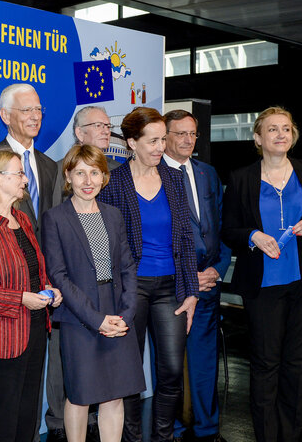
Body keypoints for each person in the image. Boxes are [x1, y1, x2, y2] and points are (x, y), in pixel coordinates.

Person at [221, 106, 302, 442]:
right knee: (266, 366)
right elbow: (229, 230)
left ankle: (290, 435)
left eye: (286, 128)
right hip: (263, 285)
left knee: (297, 366)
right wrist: (252, 235)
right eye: (272, 129)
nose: (281, 134)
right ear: (258, 138)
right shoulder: (240, 178)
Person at [0, 83, 62, 441]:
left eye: (23, 173)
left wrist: (49, 288)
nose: (24, 178)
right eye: (17, 174)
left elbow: (35, 266)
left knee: (25, 420)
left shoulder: (21, 222)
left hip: (34, 330)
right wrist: (22, 299)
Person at [97, 106, 199, 442]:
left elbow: (185, 237)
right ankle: (132, 438)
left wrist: (191, 292)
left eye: (162, 140)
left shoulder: (174, 178)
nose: (161, 147)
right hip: (131, 289)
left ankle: (163, 437)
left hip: (170, 288)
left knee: (170, 371)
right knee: (128, 375)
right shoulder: (113, 182)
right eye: (153, 140)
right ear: (131, 142)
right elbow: (104, 244)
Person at [42, 144, 144, 442]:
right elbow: (58, 275)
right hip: (79, 316)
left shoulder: (113, 215)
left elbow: (127, 266)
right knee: (81, 395)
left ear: (104, 177)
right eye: (80, 173)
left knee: (114, 395)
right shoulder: (55, 218)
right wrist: (96, 319)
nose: (88, 181)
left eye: (95, 173)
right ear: (68, 176)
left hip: (117, 312)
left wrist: (125, 315)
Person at [163, 109, 231, 442]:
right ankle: (172, 431)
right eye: (181, 134)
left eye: (193, 134)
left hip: (208, 285)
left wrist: (218, 270)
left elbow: (222, 229)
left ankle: (208, 430)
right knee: (170, 367)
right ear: (165, 137)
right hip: (172, 287)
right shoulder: (152, 175)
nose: (188, 140)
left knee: (205, 365)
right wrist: (189, 274)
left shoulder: (207, 173)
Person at [73, 106, 121, 171]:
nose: (107, 132)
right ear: (80, 133)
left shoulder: (118, 169)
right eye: (98, 125)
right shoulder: (58, 171)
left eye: (108, 127)